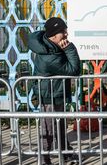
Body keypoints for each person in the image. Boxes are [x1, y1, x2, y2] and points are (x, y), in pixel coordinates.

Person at [28, 17, 80, 164]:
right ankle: (44, 159)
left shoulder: (51, 47)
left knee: (60, 126)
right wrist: (69, 49)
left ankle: (66, 153)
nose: (66, 34)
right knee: (48, 129)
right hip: (49, 95)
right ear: (53, 35)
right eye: (63, 32)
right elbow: (74, 70)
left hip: (56, 92)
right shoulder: (49, 56)